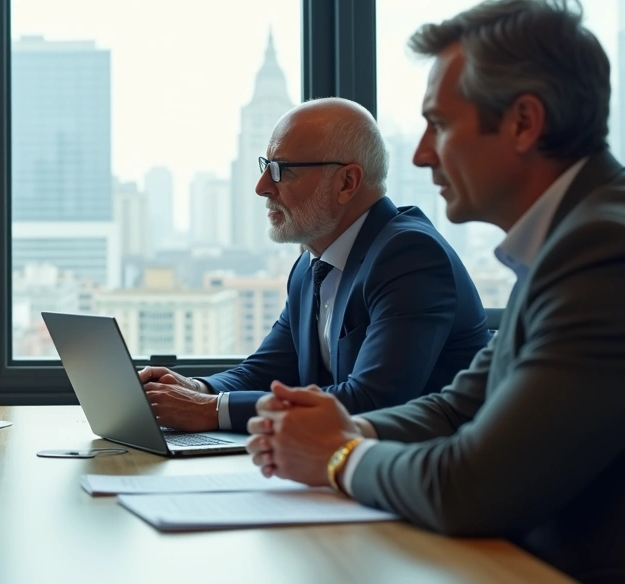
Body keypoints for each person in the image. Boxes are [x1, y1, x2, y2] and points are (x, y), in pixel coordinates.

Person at [246, 0, 625, 583]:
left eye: (440, 125)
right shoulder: (568, 240)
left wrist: (337, 455)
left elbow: (472, 486)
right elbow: (461, 404)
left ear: (524, 122)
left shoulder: (602, 251)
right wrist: (348, 428)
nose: (422, 155)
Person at [139, 98, 490, 433]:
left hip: (426, 477)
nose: (262, 187)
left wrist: (211, 410)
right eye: (266, 167)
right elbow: (265, 372)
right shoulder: (311, 266)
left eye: (281, 170)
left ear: (347, 183)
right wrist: (195, 387)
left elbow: (373, 401)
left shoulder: (410, 255)